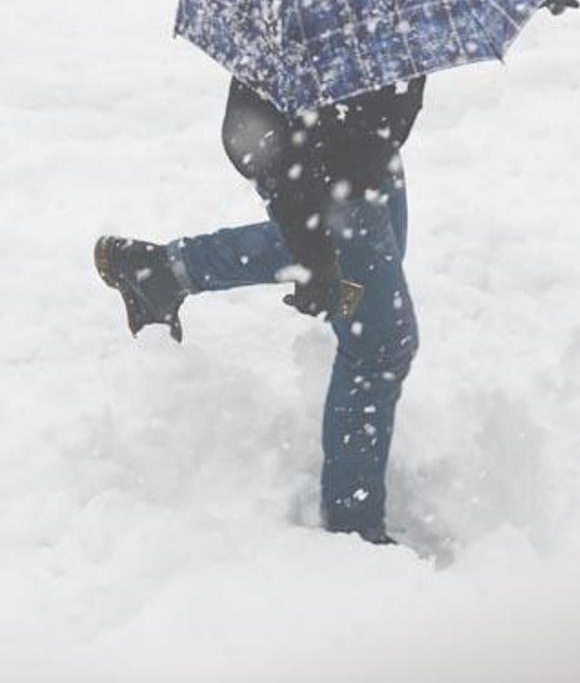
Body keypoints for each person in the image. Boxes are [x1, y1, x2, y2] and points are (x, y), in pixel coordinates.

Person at [94, 73, 426, 547]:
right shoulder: (301, 33)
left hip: (369, 148)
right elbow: (264, 144)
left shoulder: (377, 9)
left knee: (375, 266)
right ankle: (354, 529)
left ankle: (164, 271)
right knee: (381, 344)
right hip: (330, 176)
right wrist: (311, 251)